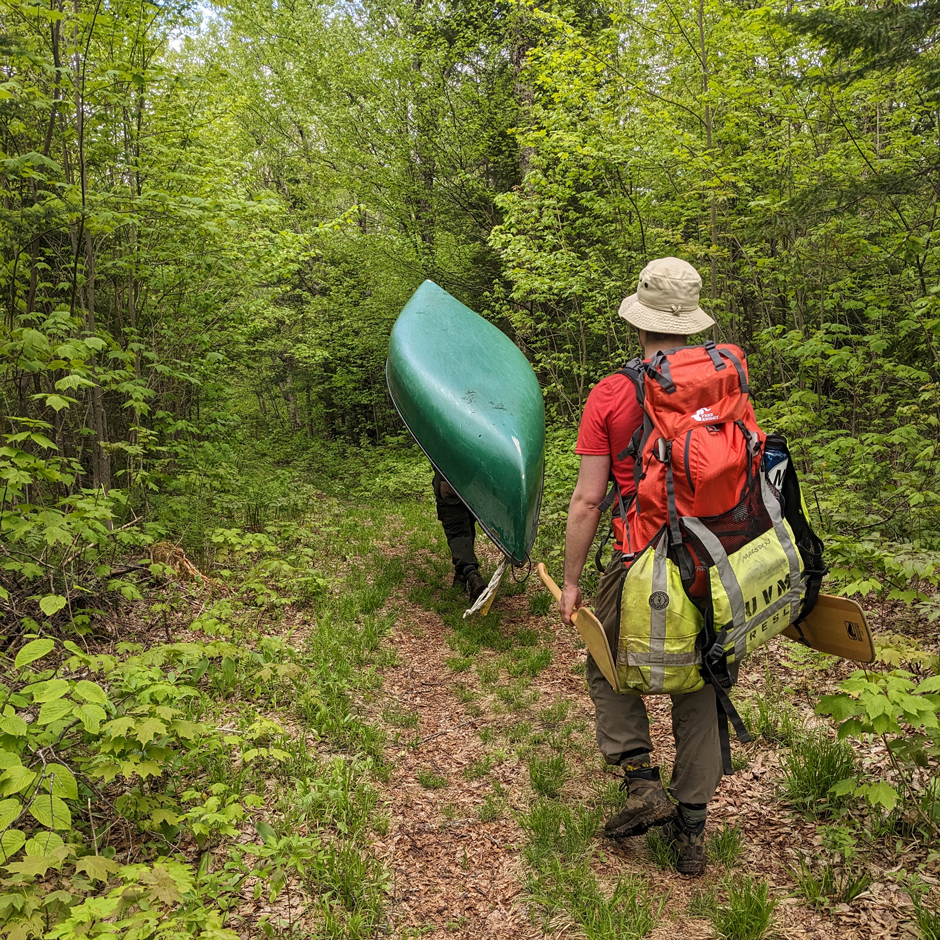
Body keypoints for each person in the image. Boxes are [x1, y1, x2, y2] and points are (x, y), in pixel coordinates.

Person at [559, 257, 723, 877]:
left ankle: (639, 781)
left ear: (640, 319)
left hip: (639, 560)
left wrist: (572, 583)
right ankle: (692, 830)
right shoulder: (722, 385)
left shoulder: (610, 393)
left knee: (607, 661)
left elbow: (588, 499)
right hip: (713, 560)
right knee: (703, 680)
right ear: (691, 322)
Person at [433, 470, 487, 602]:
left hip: (449, 480)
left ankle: (472, 575)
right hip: (473, 480)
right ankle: (461, 575)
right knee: (466, 525)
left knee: (457, 531)